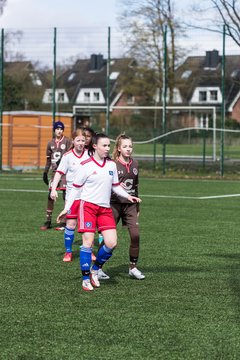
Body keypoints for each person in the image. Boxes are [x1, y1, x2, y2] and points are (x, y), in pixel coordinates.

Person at [57, 133, 142, 292]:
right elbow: (75, 189)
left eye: (108, 146)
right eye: (104, 146)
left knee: (111, 243)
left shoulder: (111, 165)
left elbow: (115, 186)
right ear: (95, 146)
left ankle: (95, 270)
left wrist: (128, 196)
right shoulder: (86, 165)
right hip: (87, 207)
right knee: (87, 243)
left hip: (104, 209)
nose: (107, 149)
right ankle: (85, 279)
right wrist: (66, 208)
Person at [50, 128, 89, 262]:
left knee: (87, 226)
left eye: (83, 141)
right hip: (72, 196)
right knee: (71, 224)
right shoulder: (68, 156)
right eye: (78, 140)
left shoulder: (90, 155)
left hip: (87, 196)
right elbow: (59, 173)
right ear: (73, 141)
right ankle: (68, 252)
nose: (80, 143)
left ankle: (88, 250)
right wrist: (53, 189)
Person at [110, 134, 145, 280]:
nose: (128, 149)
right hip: (114, 205)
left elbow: (136, 187)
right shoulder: (112, 164)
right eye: (125, 146)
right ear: (118, 148)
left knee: (135, 236)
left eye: (130, 146)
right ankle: (97, 268)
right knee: (109, 240)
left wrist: (137, 207)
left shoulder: (135, 164)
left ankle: (133, 267)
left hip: (130, 205)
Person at [40, 121, 72, 231]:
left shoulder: (68, 141)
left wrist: (63, 163)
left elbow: (70, 155)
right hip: (54, 174)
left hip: (65, 173)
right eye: (57, 129)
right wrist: (45, 172)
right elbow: (48, 160)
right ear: (54, 130)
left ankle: (64, 221)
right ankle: (48, 220)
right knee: (50, 196)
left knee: (65, 195)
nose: (59, 131)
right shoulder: (50, 143)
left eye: (61, 129)